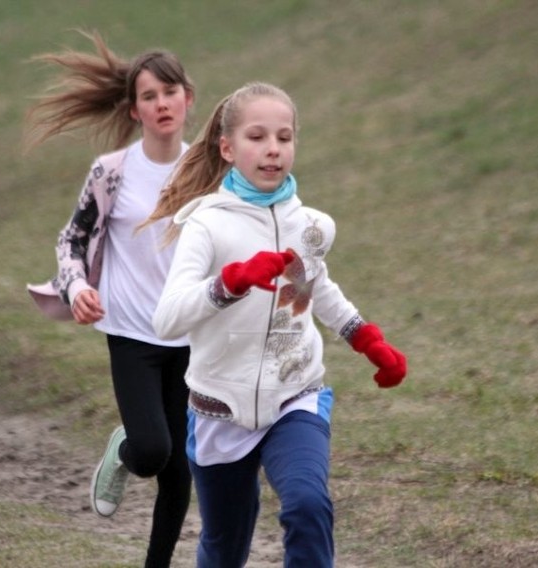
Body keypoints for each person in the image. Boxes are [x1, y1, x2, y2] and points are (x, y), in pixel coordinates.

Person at [145, 82, 407, 568]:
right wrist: (232, 281)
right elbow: (168, 318)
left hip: (295, 393)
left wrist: (367, 340)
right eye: (257, 137)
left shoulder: (308, 226)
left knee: (308, 505)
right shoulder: (206, 225)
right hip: (220, 408)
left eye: (284, 138)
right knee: (225, 549)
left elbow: (316, 287)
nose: (272, 149)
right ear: (227, 148)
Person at [24, 31, 195, 568]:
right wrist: (78, 288)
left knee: (179, 469)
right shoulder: (112, 172)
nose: (162, 103)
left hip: (192, 335)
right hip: (131, 332)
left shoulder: (210, 170)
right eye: (150, 96)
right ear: (134, 110)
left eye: (170, 92)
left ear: (189, 98)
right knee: (150, 451)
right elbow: (70, 240)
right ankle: (123, 449)